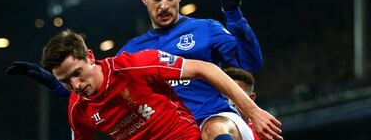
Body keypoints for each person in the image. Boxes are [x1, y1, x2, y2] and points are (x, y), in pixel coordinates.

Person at [7, 0, 277, 140]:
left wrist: (234, 16)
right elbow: (99, 84)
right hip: (172, 131)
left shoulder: (205, 29)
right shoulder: (132, 53)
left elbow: (251, 61)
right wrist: (57, 84)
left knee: (213, 130)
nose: (164, 6)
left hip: (215, 122)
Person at [37, 29, 281, 140]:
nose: (76, 84)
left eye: (77, 73)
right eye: (66, 81)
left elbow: (206, 68)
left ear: (90, 56)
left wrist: (253, 111)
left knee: (217, 129)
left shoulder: (135, 65)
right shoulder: (77, 109)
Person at [223, 67, 259, 140]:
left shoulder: (263, 135)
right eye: (224, 95)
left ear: (251, 98)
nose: (230, 102)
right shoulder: (202, 130)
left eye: (236, 96)